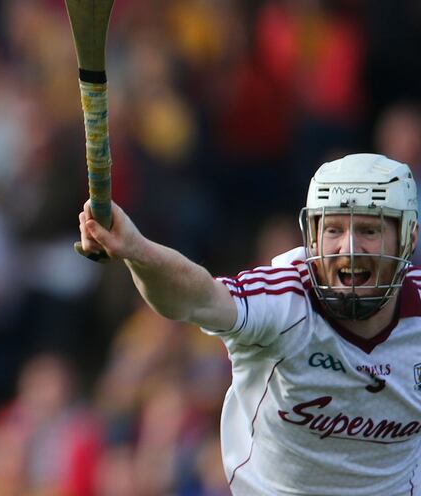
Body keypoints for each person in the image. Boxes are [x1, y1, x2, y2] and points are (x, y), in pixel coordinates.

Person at [77, 152, 421, 495]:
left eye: (368, 230)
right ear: (313, 236)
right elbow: (194, 298)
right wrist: (137, 250)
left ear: (409, 237)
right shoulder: (283, 301)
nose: (349, 248)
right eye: (333, 229)